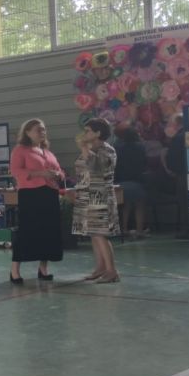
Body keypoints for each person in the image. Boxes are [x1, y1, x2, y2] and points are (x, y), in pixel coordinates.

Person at [7, 118, 65, 284]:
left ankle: (43, 269)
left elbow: (60, 171)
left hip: (50, 194)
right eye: (38, 130)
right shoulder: (20, 150)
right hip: (30, 195)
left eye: (44, 129)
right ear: (27, 132)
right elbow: (15, 171)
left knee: (48, 231)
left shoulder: (48, 152)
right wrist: (40, 174)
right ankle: (15, 271)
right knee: (27, 231)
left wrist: (58, 175)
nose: (42, 132)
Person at [72, 118, 120, 283]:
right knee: (93, 234)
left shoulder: (107, 150)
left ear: (98, 133)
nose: (84, 134)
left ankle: (112, 271)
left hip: (100, 196)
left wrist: (84, 149)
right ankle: (100, 268)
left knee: (100, 234)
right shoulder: (90, 149)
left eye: (88, 131)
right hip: (87, 195)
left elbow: (97, 168)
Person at [113, 126, 149, 239]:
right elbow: (145, 162)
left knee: (126, 206)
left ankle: (124, 229)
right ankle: (139, 231)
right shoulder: (141, 147)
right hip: (136, 181)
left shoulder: (118, 148)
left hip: (121, 181)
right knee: (139, 205)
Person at [162, 113, 189, 239]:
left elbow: (172, 158)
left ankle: (186, 231)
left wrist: (172, 170)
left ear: (177, 123)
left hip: (182, 175)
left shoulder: (178, 138)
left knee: (184, 204)